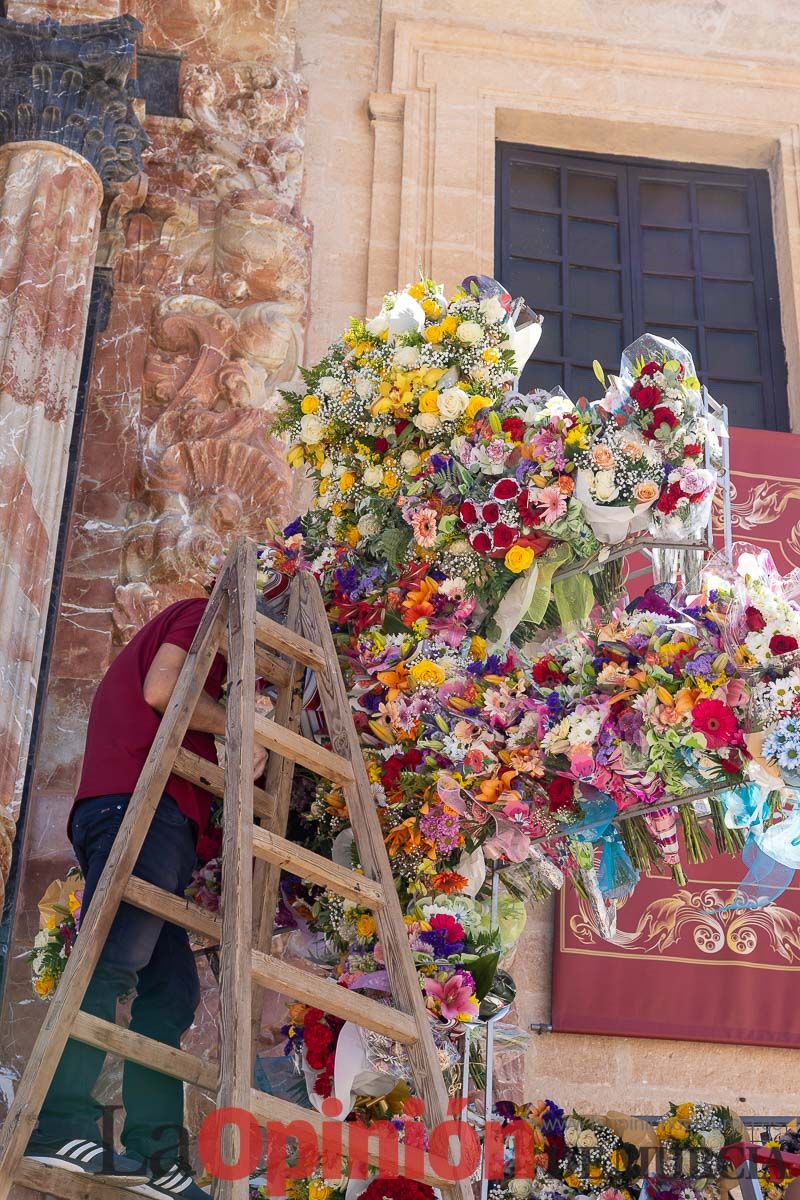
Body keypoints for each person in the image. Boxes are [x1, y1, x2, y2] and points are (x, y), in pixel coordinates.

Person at [24, 597, 267, 1199]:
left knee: (173, 991)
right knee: (115, 959)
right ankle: (58, 1124)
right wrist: (243, 726)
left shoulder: (219, 681)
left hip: (157, 819)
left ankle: (158, 1156)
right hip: (137, 803)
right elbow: (163, 689)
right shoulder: (207, 616)